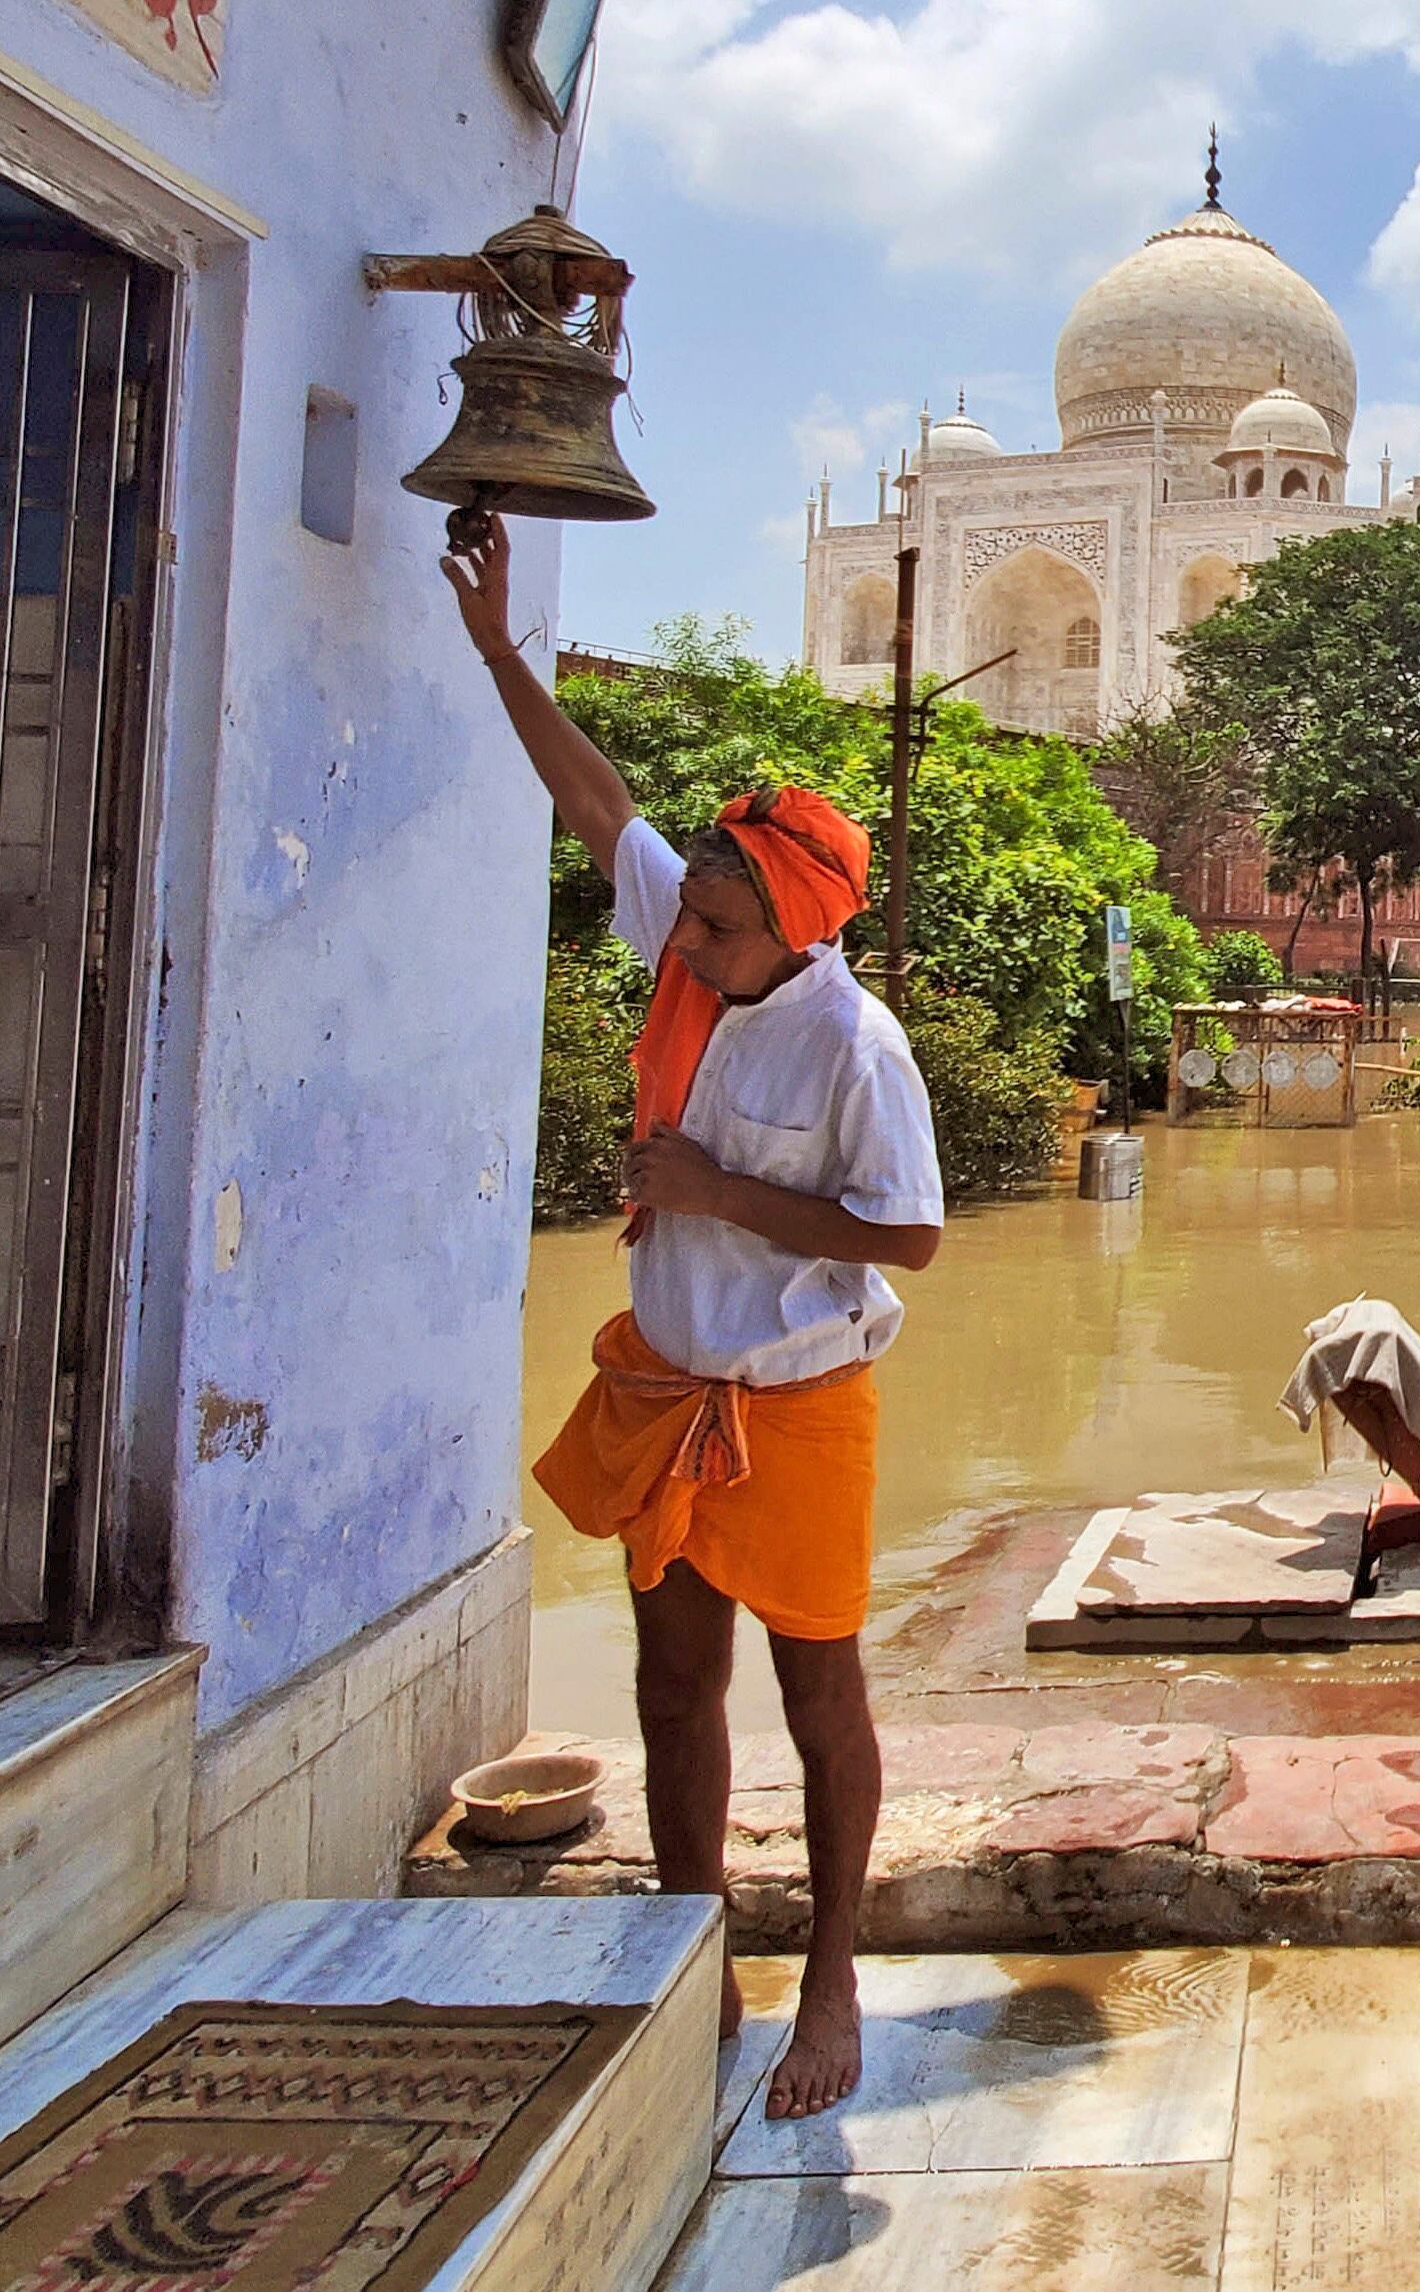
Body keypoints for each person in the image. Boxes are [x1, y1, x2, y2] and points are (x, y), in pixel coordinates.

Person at [446, 515, 939, 2120]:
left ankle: (836, 1977)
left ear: (799, 923)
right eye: (693, 920)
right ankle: (693, 1943)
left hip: (795, 1402)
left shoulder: (852, 1048)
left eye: (721, 929)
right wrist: (504, 651)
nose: (693, 944)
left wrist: (716, 1191)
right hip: (670, 1384)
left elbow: (911, 1236)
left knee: (819, 1695)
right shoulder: (696, 942)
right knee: (672, 1686)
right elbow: (597, 806)